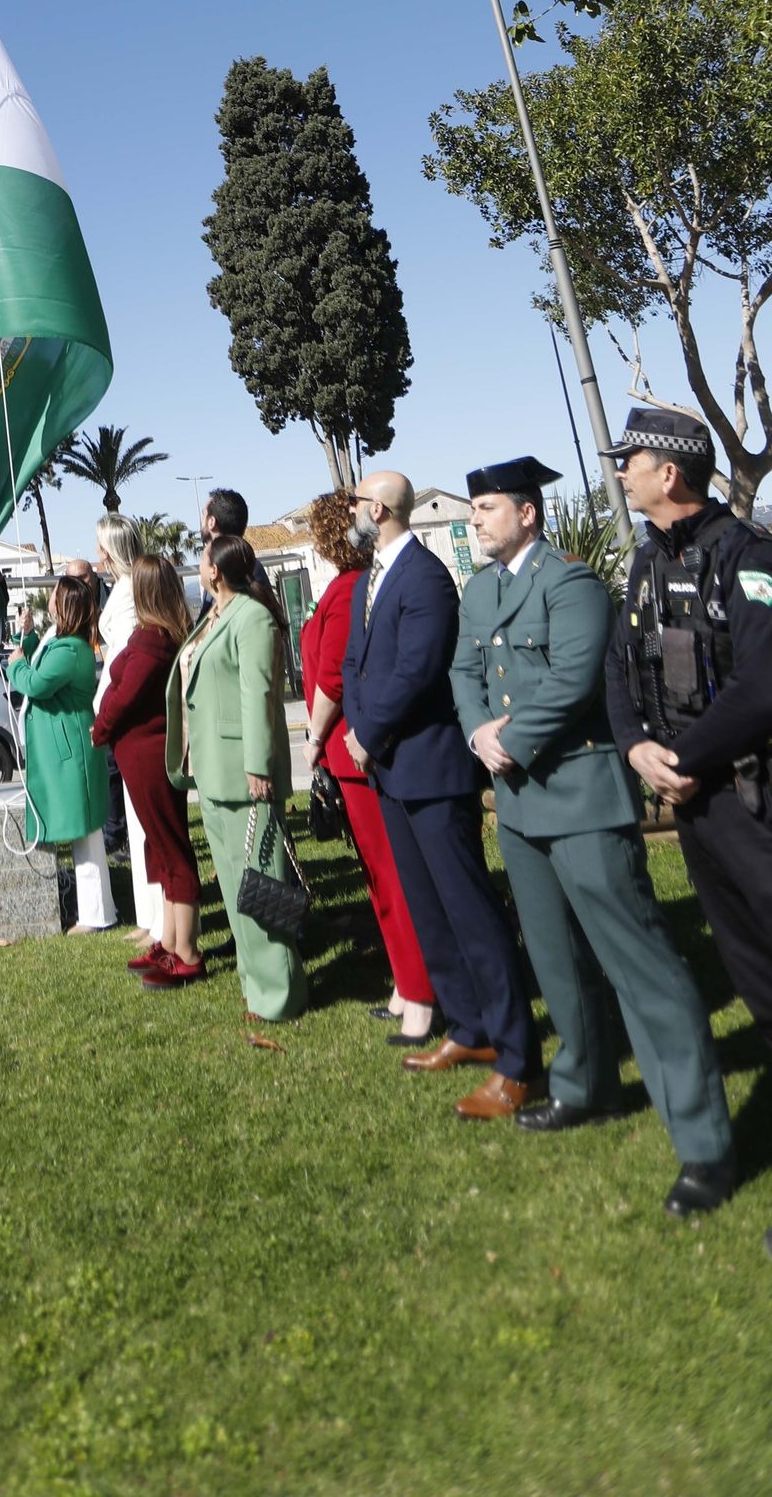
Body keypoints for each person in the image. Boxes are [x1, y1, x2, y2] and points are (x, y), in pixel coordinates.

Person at [457, 454, 736, 1222]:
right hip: (517, 807)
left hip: (577, 794)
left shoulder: (571, 584)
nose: (476, 518)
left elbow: (579, 674)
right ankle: (587, 1087)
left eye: (487, 507)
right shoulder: (480, 590)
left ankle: (705, 1141)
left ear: (528, 514)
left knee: (639, 964)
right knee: (556, 961)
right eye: (474, 507)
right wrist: (479, 730)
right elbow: (463, 671)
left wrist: (514, 740)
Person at [340, 469, 543, 1119]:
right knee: (430, 910)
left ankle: (517, 1052)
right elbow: (356, 662)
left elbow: (418, 667)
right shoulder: (371, 576)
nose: (350, 511)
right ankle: (469, 1028)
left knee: (471, 912)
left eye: (355, 502)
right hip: (391, 770)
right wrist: (355, 724)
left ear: (379, 507)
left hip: (430, 768)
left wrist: (367, 731)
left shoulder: (424, 577)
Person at [603, 402, 772, 1069]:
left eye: (630, 464)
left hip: (747, 793)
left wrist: (680, 757)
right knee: (744, 953)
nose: (621, 476)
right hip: (688, 793)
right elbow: (619, 663)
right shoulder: (649, 559)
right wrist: (634, 747)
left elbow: (761, 684)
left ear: (668, 473)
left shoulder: (746, 554)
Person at [301, 490, 435, 1045]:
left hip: (352, 749)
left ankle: (419, 987)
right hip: (346, 751)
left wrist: (311, 739)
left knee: (393, 875)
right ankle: (406, 982)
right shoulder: (344, 586)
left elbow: (334, 676)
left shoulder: (349, 588)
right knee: (378, 874)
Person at [166, 514, 305, 1019]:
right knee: (234, 888)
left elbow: (258, 694)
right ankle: (254, 982)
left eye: (202, 558)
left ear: (216, 572)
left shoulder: (251, 616)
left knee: (262, 885)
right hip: (214, 772)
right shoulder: (216, 614)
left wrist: (258, 765)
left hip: (247, 775)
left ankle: (279, 994)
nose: (198, 564)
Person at [93, 551, 201, 986]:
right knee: (161, 849)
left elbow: (124, 696)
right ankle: (172, 942)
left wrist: (99, 728)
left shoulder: (153, 640)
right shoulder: (155, 633)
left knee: (171, 849)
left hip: (148, 752)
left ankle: (188, 951)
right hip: (140, 751)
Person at [7, 573, 117, 931]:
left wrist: (15, 666)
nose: (50, 598)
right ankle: (93, 912)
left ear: (65, 604)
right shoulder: (63, 642)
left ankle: (97, 915)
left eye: (55, 594)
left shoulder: (71, 649)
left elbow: (36, 683)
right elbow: (40, 661)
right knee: (83, 833)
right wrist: (27, 639)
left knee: (86, 834)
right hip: (64, 751)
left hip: (71, 751)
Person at [94, 513, 162, 937]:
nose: (97, 554)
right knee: (139, 827)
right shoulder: (123, 588)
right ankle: (149, 914)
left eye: (101, 546)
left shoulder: (130, 592)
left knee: (147, 828)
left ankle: (157, 917)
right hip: (121, 717)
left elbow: (125, 661)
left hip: (133, 718)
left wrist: (106, 712)